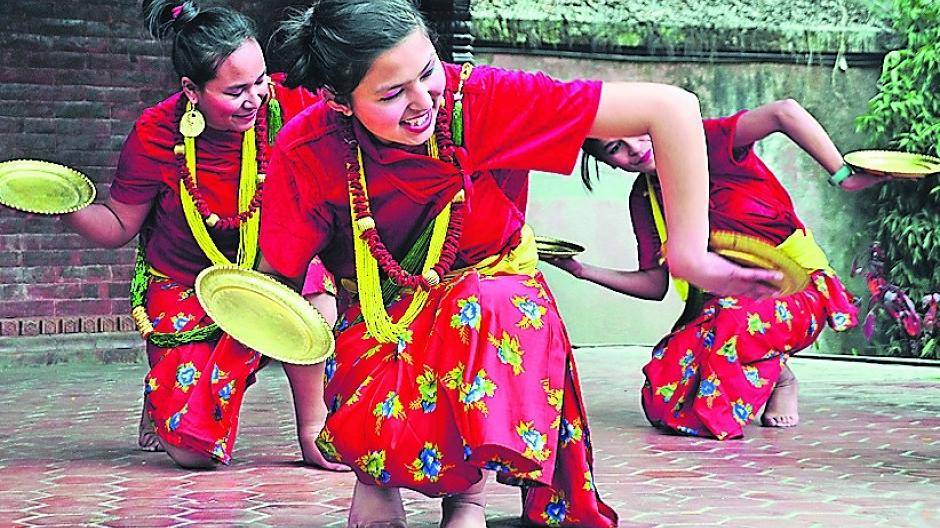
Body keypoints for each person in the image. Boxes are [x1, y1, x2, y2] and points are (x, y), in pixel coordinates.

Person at [259, 1, 781, 525]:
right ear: (338, 101)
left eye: (427, 72)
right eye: (392, 94)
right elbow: (285, 282)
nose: (423, 103)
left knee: (489, 303)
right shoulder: (308, 148)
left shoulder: (479, 98)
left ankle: (468, 499)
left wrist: (688, 254)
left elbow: (671, 108)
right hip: (378, 313)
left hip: (489, 296)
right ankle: (378, 476)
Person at [57, 0, 343, 470]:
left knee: (318, 300)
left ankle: (313, 428)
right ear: (192, 89)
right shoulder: (154, 133)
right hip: (185, 285)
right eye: (236, 91)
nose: (256, 98)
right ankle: (165, 397)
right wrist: (62, 207)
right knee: (193, 454)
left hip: (269, 273)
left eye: (260, 80)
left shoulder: (290, 108)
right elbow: (118, 226)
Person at [548, 99, 887, 439]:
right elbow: (654, 284)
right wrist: (580, 270)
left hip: (797, 289)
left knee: (733, 322)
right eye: (616, 148)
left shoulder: (705, 142)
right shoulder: (644, 197)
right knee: (664, 398)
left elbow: (783, 111)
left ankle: (781, 379)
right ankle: (769, 371)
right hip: (719, 307)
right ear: (608, 162)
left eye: (639, 132)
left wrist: (843, 176)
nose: (635, 149)